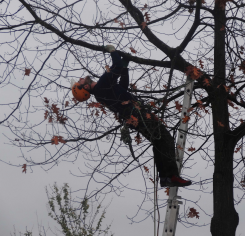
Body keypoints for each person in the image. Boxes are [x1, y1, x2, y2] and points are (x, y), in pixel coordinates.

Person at [71, 45, 191, 187]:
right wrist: (113, 52)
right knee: (165, 138)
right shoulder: (101, 86)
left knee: (159, 142)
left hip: (133, 117)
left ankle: (165, 177)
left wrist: (125, 68)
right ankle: (171, 176)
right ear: (85, 87)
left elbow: (122, 87)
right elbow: (115, 67)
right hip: (136, 114)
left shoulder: (101, 93)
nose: (81, 79)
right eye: (80, 82)